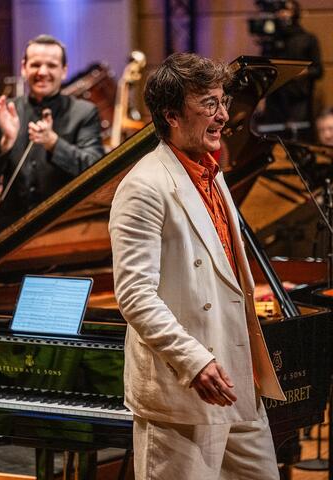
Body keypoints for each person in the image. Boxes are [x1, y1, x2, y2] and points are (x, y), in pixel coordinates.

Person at [109, 52, 285, 479]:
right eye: (209, 104)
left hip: (238, 383)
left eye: (223, 102)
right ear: (171, 115)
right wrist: (195, 362)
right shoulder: (143, 186)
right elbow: (134, 296)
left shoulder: (213, 173)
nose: (223, 115)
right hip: (184, 388)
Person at [0, 34, 104, 235]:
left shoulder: (84, 112)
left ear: (64, 70)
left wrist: (54, 144)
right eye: (35, 65)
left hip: (66, 229)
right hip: (11, 232)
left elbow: (96, 169)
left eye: (51, 65)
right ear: (23, 68)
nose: (42, 72)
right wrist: (5, 142)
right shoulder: (5, 110)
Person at [259, 0, 323, 140]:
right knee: (274, 139)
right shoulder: (271, 40)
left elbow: (318, 70)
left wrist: (298, 72)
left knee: (298, 139)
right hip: (275, 99)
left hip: (298, 100)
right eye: (280, 10)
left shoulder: (308, 39)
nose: (282, 14)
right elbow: (264, 68)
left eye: (286, 10)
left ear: (295, 13)